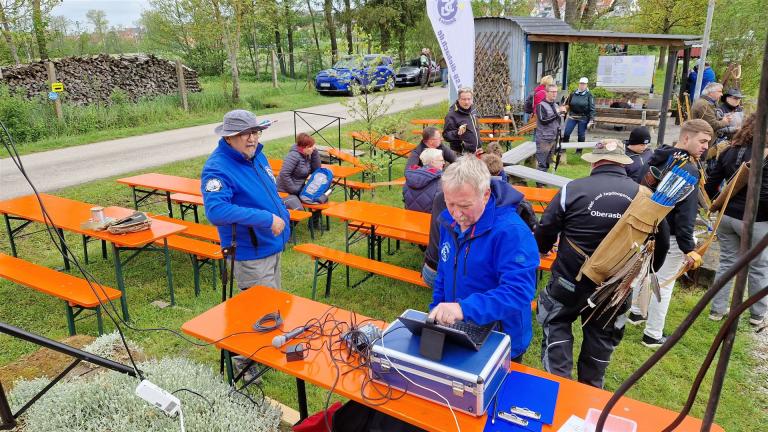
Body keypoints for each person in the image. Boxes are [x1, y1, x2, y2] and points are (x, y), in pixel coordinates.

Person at [535, 139, 669, 388]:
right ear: (623, 163)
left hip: (569, 281)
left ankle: (558, 388)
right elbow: (662, 244)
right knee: (601, 339)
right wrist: (646, 273)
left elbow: (546, 228)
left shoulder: (572, 189)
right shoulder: (645, 196)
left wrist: (543, 249)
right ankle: (591, 392)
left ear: (594, 162)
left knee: (557, 324)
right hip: (615, 288)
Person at [429, 156, 539, 362]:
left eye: (465, 205)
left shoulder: (511, 232)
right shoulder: (448, 222)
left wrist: (463, 309)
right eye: (450, 203)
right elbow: (443, 273)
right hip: (459, 328)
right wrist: (436, 309)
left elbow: (519, 292)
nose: (457, 214)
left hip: (499, 338)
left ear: (485, 194)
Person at [627, 119, 713, 348]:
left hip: (649, 227)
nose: (706, 146)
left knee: (646, 271)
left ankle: (636, 312)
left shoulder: (659, 155)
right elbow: (686, 214)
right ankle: (653, 334)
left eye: (708, 142)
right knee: (663, 284)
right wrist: (688, 248)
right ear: (686, 137)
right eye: (702, 141)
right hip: (671, 234)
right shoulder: (687, 168)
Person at [202, 109, 289, 291]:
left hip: (271, 244)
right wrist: (268, 219)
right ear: (228, 138)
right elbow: (216, 211)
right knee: (262, 308)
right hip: (251, 256)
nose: (252, 138)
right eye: (244, 133)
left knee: (276, 304)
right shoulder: (217, 168)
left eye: (255, 132)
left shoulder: (256, 155)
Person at [705, 114, 768, 329]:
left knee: (727, 263)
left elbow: (711, 184)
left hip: (727, 216)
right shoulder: (765, 154)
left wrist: (718, 202)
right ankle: (757, 315)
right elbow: (764, 195)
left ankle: (717, 310)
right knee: (759, 266)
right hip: (756, 220)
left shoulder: (729, 150)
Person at [277, 133, 321, 203]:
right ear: (305, 147)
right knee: (308, 201)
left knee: (319, 198)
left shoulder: (306, 155)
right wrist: (294, 190)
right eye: (311, 146)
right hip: (286, 190)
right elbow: (284, 174)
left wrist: (315, 153)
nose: (313, 148)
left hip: (299, 189)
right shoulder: (293, 156)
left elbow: (316, 171)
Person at [535, 84, 567, 173]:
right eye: (552, 92)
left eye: (556, 92)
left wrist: (563, 114)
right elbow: (543, 120)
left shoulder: (556, 105)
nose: (554, 94)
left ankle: (544, 179)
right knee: (542, 164)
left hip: (554, 138)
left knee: (548, 162)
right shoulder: (540, 105)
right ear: (546, 93)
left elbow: (558, 121)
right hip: (544, 139)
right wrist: (558, 113)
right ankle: (539, 181)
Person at [403, 148, 444, 213]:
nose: (443, 163)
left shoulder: (411, 175)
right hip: (431, 218)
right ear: (433, 162)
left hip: (409, 216)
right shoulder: (440, 180)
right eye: (441, 160)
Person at [562, 77, 596, 154]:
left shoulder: (589, 95)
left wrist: (591, 119)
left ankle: (579, 151)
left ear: (586, 85)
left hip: (583, 117)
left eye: (584, 84)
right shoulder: (573, 93)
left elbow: (592, 108)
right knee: (566, 133)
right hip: (572, 116)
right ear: (579, 84)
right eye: (581, 83)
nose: (582, 85)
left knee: (581, 135)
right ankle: (563, 148)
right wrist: (564, 112)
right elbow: (567, 104)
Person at [443, 87, 480, 154]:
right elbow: (446, 136)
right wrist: (457, 132)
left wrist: (479, 145)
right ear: (459, 99)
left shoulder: (473, 110)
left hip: (477, 152)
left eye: (469, 99)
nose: (466, 102)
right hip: (462, 154)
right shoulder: (452, 115)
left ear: (472, 99)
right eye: (464, 99)